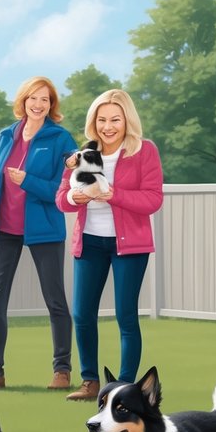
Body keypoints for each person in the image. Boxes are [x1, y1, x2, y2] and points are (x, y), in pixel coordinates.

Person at [56, 89, 164, 402]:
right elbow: (62, 198)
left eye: (115, 119)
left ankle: (124, 386)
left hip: (129, 246)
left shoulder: (144, 151)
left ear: (127, 119)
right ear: (93, 122)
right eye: (101, 119)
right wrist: (74, 197)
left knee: (125, 316)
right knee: (83, 313)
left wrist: (113, 194)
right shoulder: (85, 153)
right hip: (89, 242)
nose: (108, 126)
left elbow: (153, 199)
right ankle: (90, 381)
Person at [0, 76, 78, 391]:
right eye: (33, 98)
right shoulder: (4, 136)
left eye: (45, 100)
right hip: (3, 229)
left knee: (55, 301)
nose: (38, 104)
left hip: (44, 230)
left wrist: (27, 181)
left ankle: (62, 371)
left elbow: (63, 190)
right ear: (22, 101)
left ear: (51, 105)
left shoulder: (61, 139)